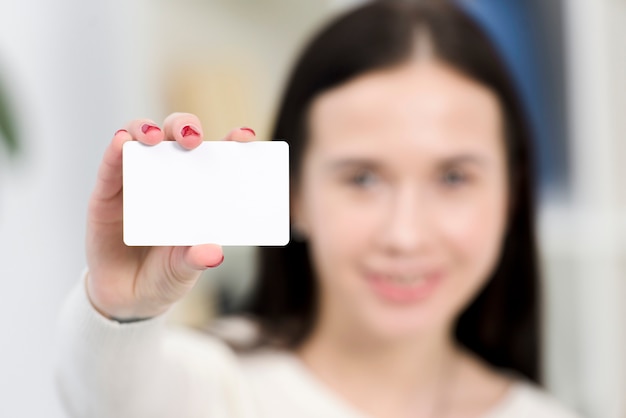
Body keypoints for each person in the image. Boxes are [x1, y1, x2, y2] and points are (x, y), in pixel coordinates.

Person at [55, 1, 583, 417]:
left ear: (511, 195)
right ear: (294, 197)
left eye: (453, 177)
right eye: (362, 177)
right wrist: (121, 311)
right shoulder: (211, 392)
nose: (405, 234)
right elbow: (110, 401)